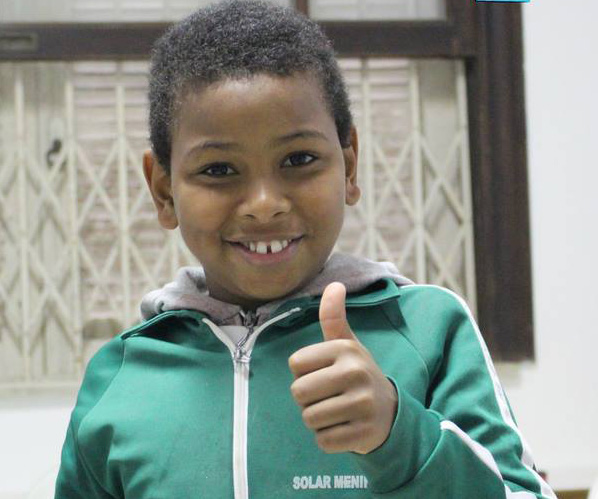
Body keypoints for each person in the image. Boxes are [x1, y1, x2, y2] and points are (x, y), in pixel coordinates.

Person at [54, 1, 556, 497]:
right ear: (164, 191)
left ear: (349, 167)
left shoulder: (426, 331)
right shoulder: (120, 376)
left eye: (299, 158)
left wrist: (400, 437)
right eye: (219, 170)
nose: (264, 205)